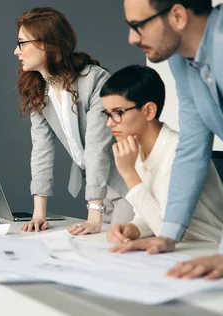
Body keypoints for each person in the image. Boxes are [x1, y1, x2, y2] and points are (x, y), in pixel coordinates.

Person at [15, 7, 133, 235]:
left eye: (22, 43)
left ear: (46, 43)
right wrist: (38, 215)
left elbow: (97, 147)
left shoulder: (95, 80)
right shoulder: (40, 90)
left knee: (121, 249)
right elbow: (41, 151)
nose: (16, 51)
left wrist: (93, 216)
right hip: (97, 188)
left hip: (127, 183)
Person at [118, 0, 223, 254]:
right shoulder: (181, 60)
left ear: (177, 16)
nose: (132, 38)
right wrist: (168, 236)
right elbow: (192, 147)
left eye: (138, 25)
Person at [99, 65, 223, 246]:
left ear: (149, 111)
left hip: (210, 249)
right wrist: (132, 228)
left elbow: (165, 230)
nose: (110, 123)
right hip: (182, 248)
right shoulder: (137, 149)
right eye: (107, 114)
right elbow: (148, 214)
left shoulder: (179, 153)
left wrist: (129, 174)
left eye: (118, 113)